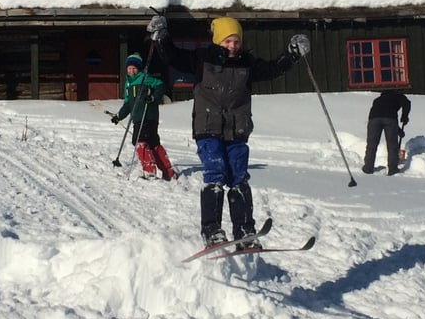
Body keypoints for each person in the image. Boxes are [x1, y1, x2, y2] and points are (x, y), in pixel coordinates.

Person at [147, 14, 310, 248]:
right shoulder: (202, 59)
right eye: (227, 41)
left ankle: (245, 231)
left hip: (237, 130)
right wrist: (161, 36)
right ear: (217, 41)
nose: (232, 46)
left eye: (236, 41)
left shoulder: (247, 63)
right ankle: (212, 230)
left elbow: (272, 69)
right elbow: (173, 57)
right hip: (207, 128)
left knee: (238, 177)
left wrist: (292, 54)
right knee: (215, 172)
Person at [111, 52, 176, 180]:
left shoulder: (145, 78)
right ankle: (168, 171)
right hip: (138, 118)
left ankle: (149, 170)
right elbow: (128, 104)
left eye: (134, 68)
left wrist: (152, 97)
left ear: (139, 68)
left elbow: (160, 86)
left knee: (139, 141)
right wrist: (119, 116)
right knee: (152, 143)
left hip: (148, 115)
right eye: (129, 68)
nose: (132, 71)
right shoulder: (128, 84)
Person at [362, 89, 411, 176]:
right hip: (390, 119)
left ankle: (368, 168)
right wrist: (404, 117)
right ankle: (392, 169)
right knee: (392, 146)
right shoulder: (398, 96)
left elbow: (382, 115)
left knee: (371, 145)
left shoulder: (377, 100)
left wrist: (398, 130)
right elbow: (407, 103)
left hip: (374, 119)